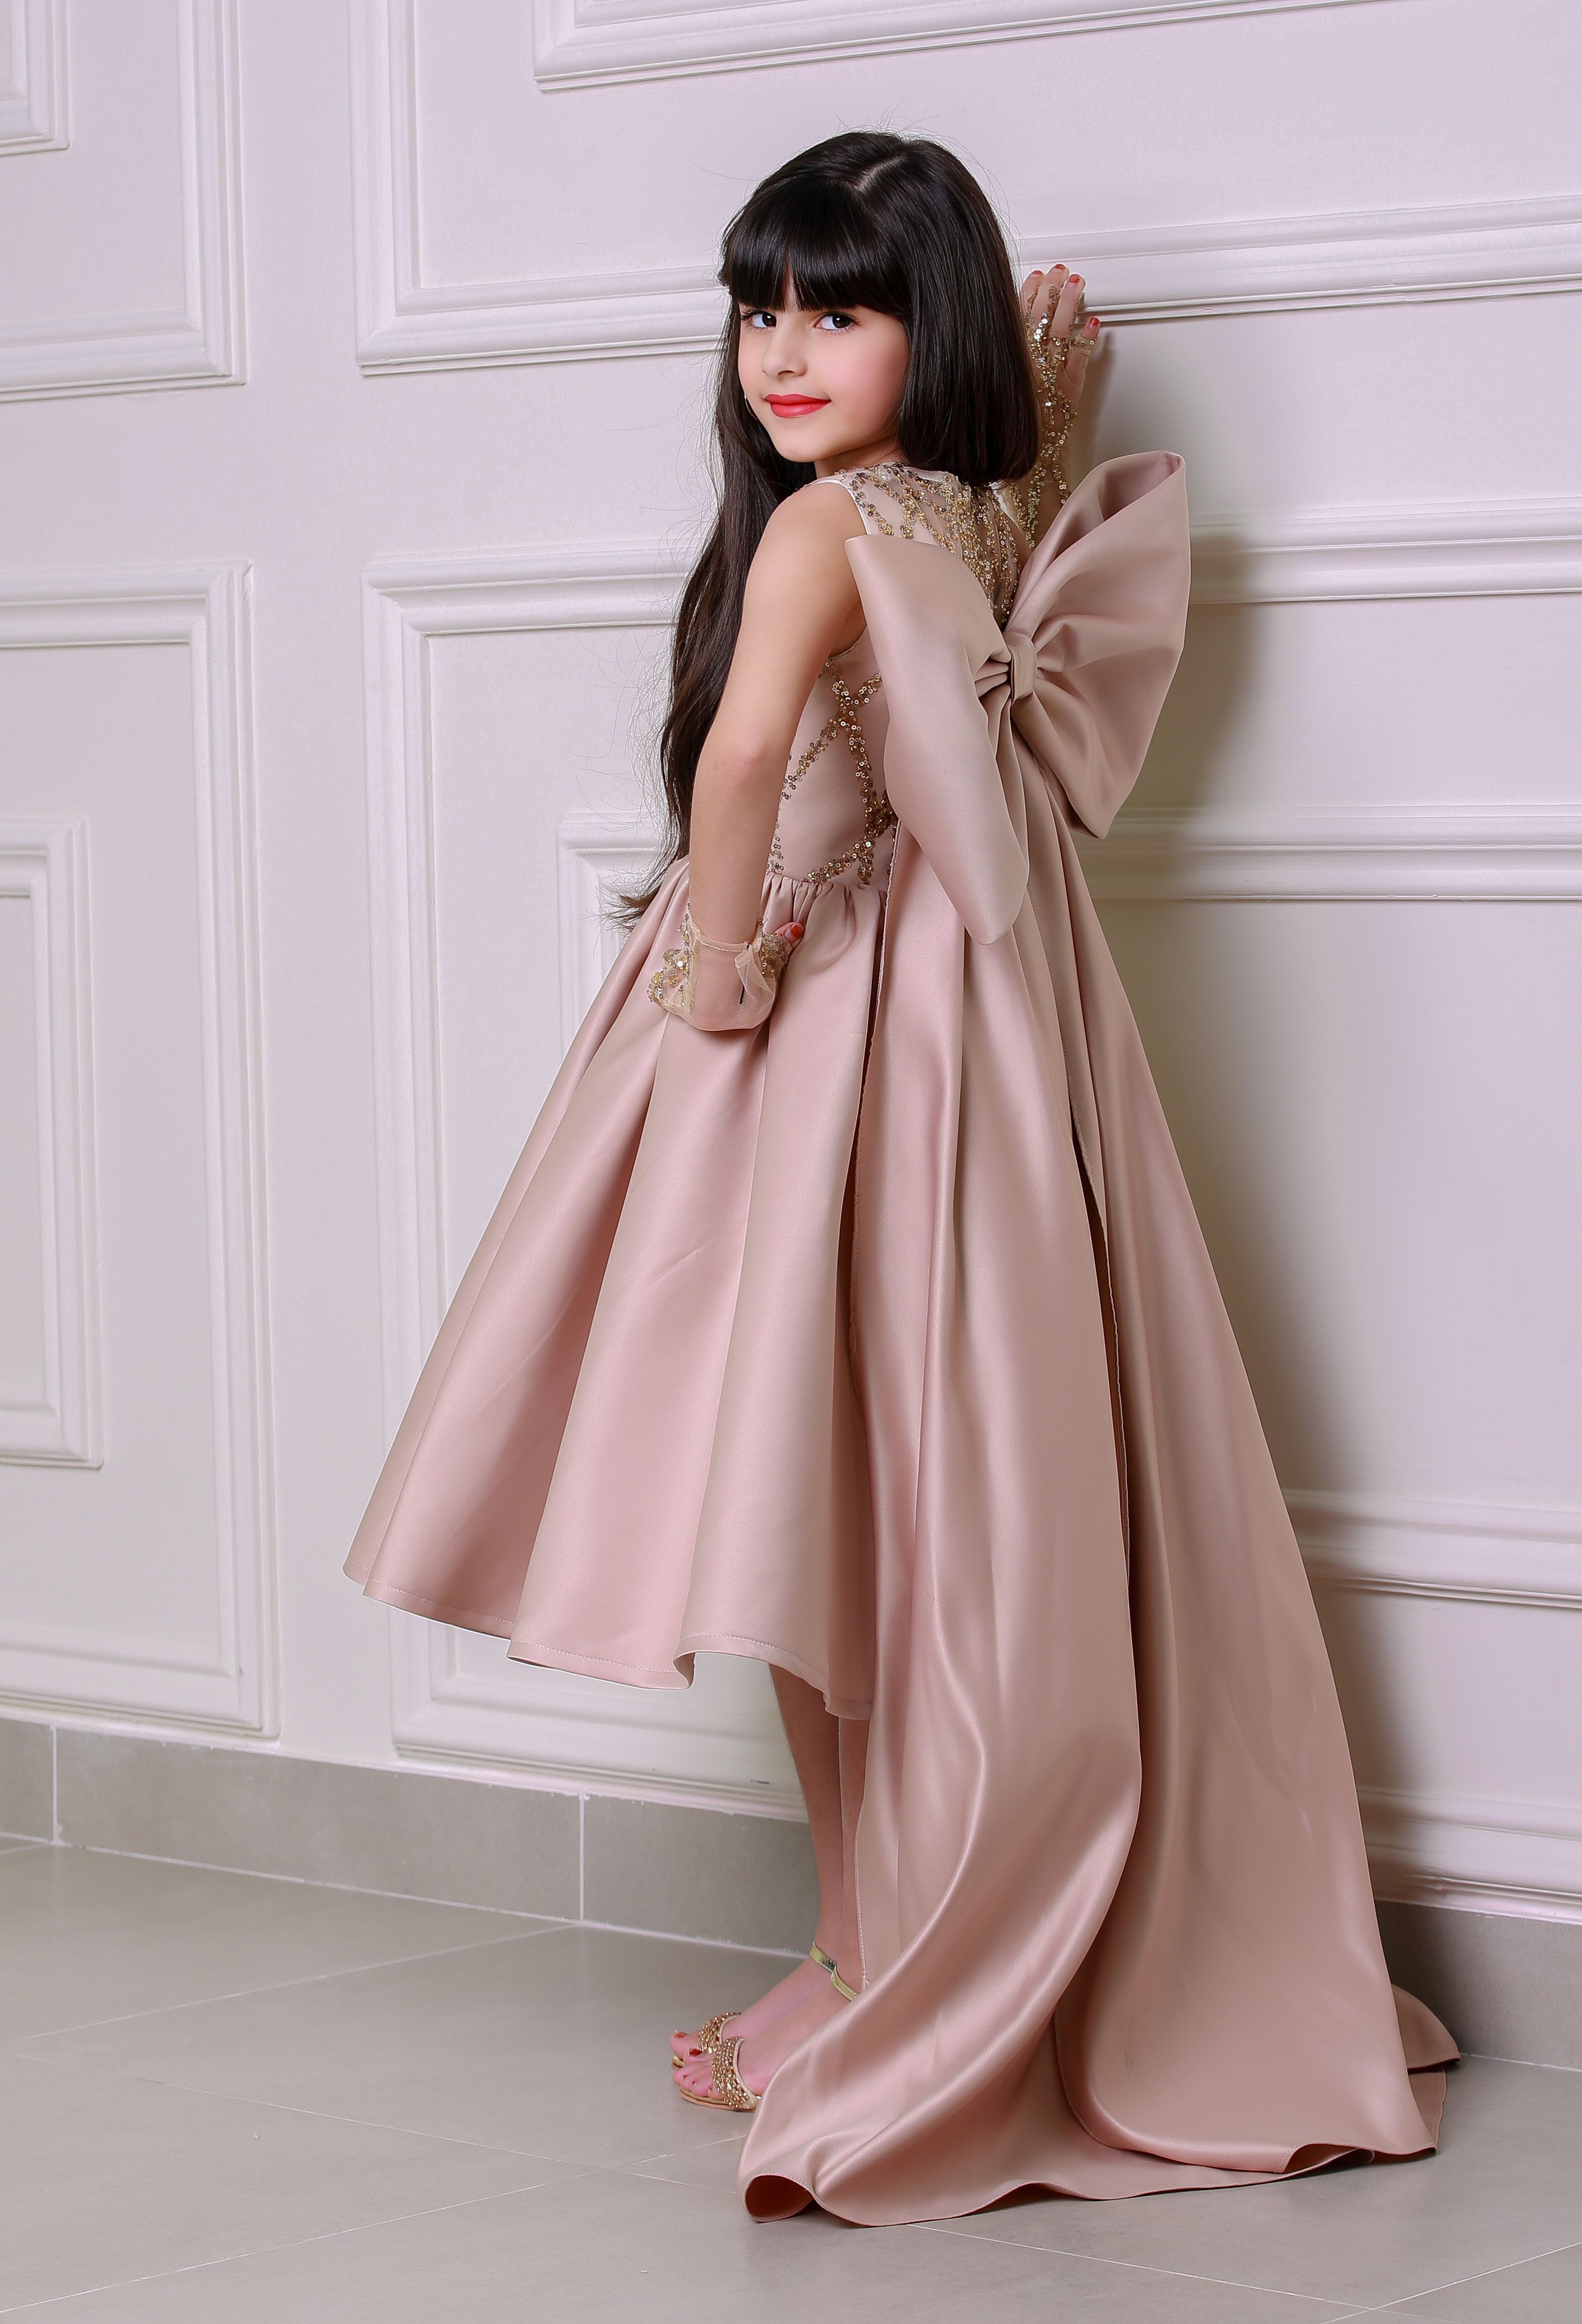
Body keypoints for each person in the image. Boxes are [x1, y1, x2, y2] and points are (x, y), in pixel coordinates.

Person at [345, 130, 1456, 2225]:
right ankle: (898, 1947)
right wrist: (1048, 438)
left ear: (927, 327)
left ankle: (882, 1958)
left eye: (837, 310)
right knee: (948, 1491)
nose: (782, 351)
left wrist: (715, 971)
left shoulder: (821, 529)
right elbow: (975, 623)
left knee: (817, 1488)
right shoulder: (963, 511)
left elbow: (742, 761)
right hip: (994, 1029)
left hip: (827, 1032)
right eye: (757, 307)